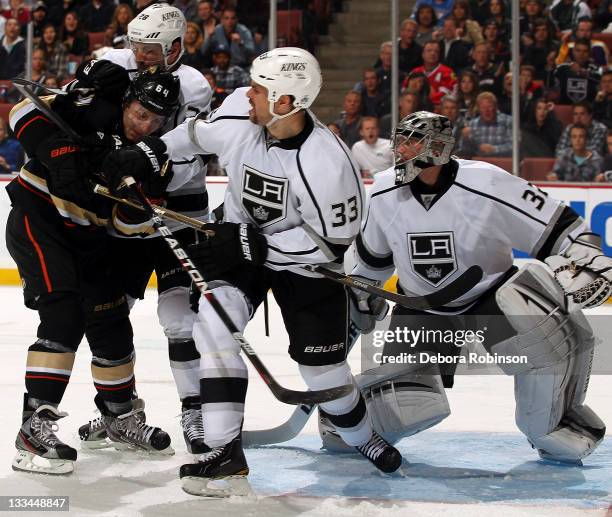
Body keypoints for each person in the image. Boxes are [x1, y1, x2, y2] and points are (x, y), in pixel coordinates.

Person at [101, 46, 404, 497]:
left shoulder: (329, 162)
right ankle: (223, 454)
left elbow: (334, 242)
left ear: (286, 102)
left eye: (261, 91)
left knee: (322, 372)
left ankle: (363, 438)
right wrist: (150, 150)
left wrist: (255, 242)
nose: (249, 96)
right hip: (239, 252)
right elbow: (197, 134)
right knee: (212, 327)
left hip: (306, 267)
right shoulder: (243, 114)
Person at [326, 110, 608, 467]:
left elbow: (560, 228)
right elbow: (371, 263)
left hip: (488, 297)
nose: (401, 149)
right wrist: (360, 297)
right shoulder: (384, 188)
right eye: (400, 140)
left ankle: (562, 419)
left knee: (547, 412)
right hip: (422, 306)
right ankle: (340, 419)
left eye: (412, 140)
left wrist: (587, 255)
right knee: (407, 404)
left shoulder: (486, 182)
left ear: (438, 147)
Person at [7, 67, 181, 475]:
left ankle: (119, 417)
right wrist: (57, 150)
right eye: (140, 114)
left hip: (91, 239)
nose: (146, 126)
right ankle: (33, 427)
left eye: (157, 121)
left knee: (112, 323)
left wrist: (139, 195)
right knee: (64, 315)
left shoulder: (155, 157)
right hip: (41, 218)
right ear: (126, 103)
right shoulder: (94, 109)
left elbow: (126, 226)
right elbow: (21, 113)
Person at [77, 2, 213, 456]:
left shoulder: (194, 84)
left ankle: (195, 411)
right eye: (136, 45)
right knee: (109, 312)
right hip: (128, 206)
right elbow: (78, 109)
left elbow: (193, 147)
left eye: (150, 48)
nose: (141, 55)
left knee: (178, 319)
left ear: (175, 46)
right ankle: (119, 410)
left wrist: (149, 165)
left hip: (180, 206)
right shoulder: (115, 61)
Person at [461, 91, 512, 157]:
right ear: (478, 109)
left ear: (496, 107)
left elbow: (515, 146)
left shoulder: (508, 121)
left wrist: (494, 149)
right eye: (483, 107)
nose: (486, 110)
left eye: (490, 106)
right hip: (480, 163)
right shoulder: (472, 124)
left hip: (503, 162)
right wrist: (465, 139)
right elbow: (465, 150)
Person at [554, 38, 601, 105]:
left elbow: (602, 82)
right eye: (578, 51)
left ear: (590, 53)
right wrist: (549, 67)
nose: (581, 54)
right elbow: (550, 83)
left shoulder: (596, 69)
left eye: (585, 51)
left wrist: (583, 73)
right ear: (573, 51)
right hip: (565, 107)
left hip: (589, 109)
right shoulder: (563, 68)